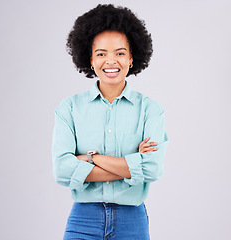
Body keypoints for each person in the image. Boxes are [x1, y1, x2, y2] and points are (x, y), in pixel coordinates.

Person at [52, 4, 169, 240]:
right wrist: (131, 165)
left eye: (120, 52)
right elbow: (62, 171)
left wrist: (89, 158)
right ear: (90, 59)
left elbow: (152, 168)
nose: (111, 61)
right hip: (83, 219)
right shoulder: (70, 108)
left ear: (132, 57)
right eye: (101, 53)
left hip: (132, 221)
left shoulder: (150, 110)